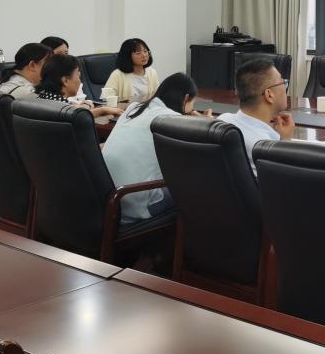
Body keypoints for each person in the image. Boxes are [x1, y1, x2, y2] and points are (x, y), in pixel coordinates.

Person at [102, 72, 211, 222]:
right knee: (200, 182)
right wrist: (206, 122)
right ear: (186, 98)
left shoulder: (133, 108)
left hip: (108, 198)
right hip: (136, 203)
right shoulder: (171, 120)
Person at [217, 58, 294, 171]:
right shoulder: (265, 146)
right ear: (269, 95)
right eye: (283, 83)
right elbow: (286, 176)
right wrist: (286, 142)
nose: (285, 86)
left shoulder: (222, 120)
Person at [34, 54, 121, 118]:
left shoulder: (42, 99)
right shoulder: (63, 109)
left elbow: (74, 113)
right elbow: (76, 116)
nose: (80, 81)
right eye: (78, 76)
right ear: (65, 81)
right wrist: (102, 110)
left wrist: (100, 109)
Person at [102, 38, 160, 107]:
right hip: (124, 111)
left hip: (148, 110)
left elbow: (158, 97)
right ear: (128, 56)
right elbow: (106, 100)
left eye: (145, 51)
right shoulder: (117, 75)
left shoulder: (152, 73)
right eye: (138, 53)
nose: (144, 55)